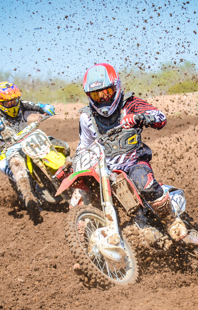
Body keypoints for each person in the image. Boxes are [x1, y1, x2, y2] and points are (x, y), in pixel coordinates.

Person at [77, 63, 187, 241]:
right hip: (106, 171)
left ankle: (171, 221)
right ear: (89, 96)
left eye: (106, 93)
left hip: (134, 162)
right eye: (96, 95)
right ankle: (90, 239)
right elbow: (84, 146)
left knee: (143, 182)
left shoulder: (130, 103)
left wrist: (139, 117)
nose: (102, 99)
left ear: (116, 87)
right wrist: (75, 163)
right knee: (85, 193)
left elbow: (161, 117)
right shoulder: (86, 117)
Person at [0, 81, 69, 210]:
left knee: (61, 145)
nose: (12, 104)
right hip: (10, 147)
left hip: (30, 138)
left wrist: (46, 108)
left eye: (14, 100)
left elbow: (39, 106)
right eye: (8, 102)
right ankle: (29, 198)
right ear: (0, 103)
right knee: (17, 164)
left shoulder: (22, 105)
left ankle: (69, 169)